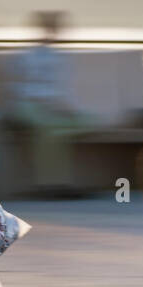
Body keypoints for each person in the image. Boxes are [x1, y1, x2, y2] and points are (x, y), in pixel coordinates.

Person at [9, 11, 94, 196]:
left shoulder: (59, 57)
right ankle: (49, 184)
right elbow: (21, 87)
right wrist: (49, 106)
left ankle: (59, 183)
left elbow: (59, 91)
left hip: (51, 109)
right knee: (51, 132)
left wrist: (64, 109)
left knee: (83, 123)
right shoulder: (27, 55)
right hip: (27, 106)